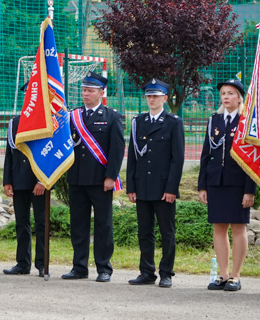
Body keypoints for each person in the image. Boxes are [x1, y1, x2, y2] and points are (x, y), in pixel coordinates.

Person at [64, 71, 124, 282]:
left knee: (103, 225)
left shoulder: (112, 117)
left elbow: (117, 151)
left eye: (90, 90)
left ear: (101, 92)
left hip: (100, 181)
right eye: (84, 90)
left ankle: (104, 268)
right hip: (77, 179)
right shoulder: (73, 116)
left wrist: (111, 177)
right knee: (78, 225)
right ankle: (79, 267)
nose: (86, 94)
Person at [198, 78, 256, 292]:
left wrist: (250, 190)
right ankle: (222, 274)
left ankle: (235, 275)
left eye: (230, 93)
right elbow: (206, 154)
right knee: (218, 228)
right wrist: (202, 186)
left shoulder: (246, 121)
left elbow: (253, 158)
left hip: (238, 184)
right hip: (216, 182)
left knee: (238, 228)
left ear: (240, 97)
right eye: (223, 93)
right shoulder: (214, 120)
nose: (226, 97)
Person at [126, 79, 185, 288]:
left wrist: (171, 189)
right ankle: (146, 271)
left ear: (165, 99)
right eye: (149, 96)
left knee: (167, 232)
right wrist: (131, 187)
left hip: (163, 188)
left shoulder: (173, 122)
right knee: (144, 231)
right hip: (142, 186)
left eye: (156, 96)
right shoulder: (138, 122)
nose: (152, 99)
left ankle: (166, 272)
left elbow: (177, 159)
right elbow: (133, 157)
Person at [2, 113, 45, 276]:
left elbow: (51, 154)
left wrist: (42, 181)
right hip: (19, 178)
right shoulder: (16, 122)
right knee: (21, 223)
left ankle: (42, 263)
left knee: (41, 223)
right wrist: (7, 180)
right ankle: (22, 263)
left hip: (40, 180)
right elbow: (9, 153)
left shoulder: (46, 118)